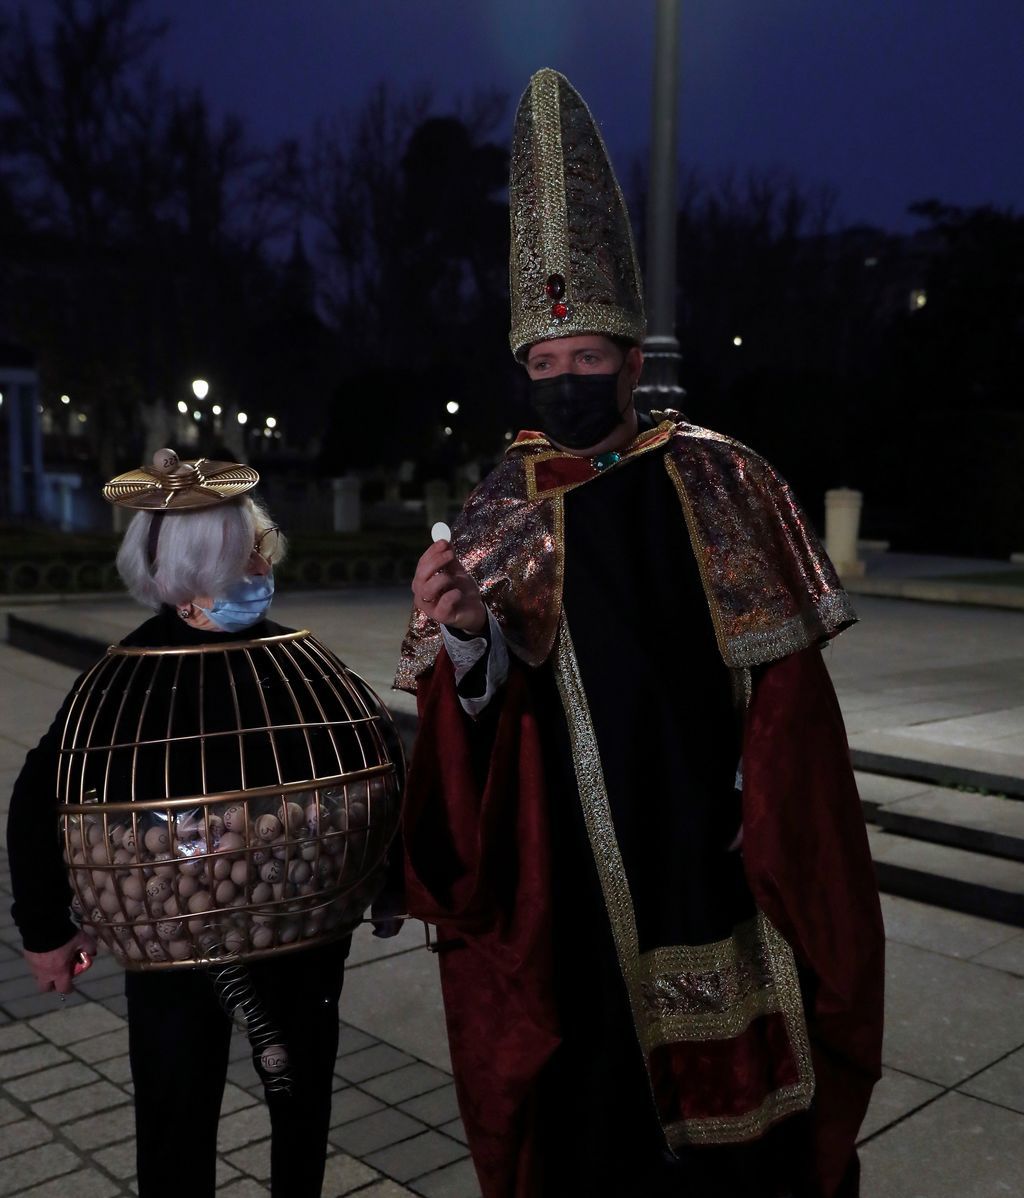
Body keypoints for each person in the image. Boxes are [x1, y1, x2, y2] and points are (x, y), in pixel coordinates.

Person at [396, 69, 884, 1198]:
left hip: (706, 856)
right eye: (545, 366)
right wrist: (466, 641)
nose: (567, 382)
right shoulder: (497, 506)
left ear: (629, 354)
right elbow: (470, 715)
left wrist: (763, 810)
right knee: (597, 1125)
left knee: (733, 1133)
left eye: (588, 358)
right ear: (525, 371)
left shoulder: (722, 478)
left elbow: (791, 702)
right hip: (563, 873)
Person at [7, 450, 401, 1198]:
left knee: (300, 1104)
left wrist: (390, 881)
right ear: (190, 566)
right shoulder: (124, 680)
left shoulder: (304, 668)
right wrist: (44, 931)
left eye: (258, 544)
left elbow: (374, 764)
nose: (259, 560)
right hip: (172, 944)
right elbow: (40, 796)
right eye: (240, 550)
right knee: (174, 1115)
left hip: (302, 928)